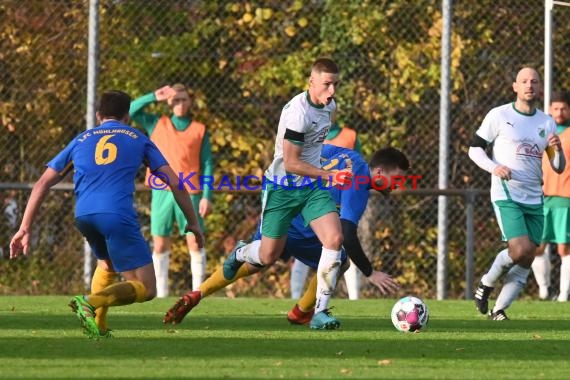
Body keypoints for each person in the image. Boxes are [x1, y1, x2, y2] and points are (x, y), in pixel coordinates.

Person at [9, 90, 204, 339]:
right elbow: (175, 183)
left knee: (108, 264)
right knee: (147, 288)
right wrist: (193, 222)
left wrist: (25, 227)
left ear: (99, 114)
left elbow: (42, 183)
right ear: (127, 116)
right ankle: (89, 301)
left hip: (84, 215)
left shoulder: (80, 139)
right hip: (116, 214)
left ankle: (98, 327)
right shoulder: (137, 137)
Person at [163, 145, 408, 327]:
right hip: (303, 224)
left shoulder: (349, 155)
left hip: (283, 200)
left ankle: (198, 293)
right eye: (396, 179)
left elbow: (313, 151)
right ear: (378, 170)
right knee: (340, 258)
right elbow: (348, 234)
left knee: (259, 259)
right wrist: (369, 272)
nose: (398, 185)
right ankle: (303, 312)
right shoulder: (360, 182)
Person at [215, 58, 349, 330]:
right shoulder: (297, 114)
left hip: (310, 188)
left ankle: (319, 313)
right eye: (326, 84)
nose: (332, 90)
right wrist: (328, 175)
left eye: (335, 84)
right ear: (311, 82)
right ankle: (241, 253)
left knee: (334, 240)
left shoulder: (328, 106)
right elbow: (291, 163)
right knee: (267, 257)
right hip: (282, 188)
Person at [468, 67, 565, 321]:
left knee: (526, 258)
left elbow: (558, 166)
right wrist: (495, 167)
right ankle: (486, 283)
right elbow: (474, 149)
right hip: (507, 193)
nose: (529, 85)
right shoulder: (499, 115)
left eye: (534, 81)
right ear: (515, 86)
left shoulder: (546, 121)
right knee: (520, 249)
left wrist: (559, 151)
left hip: (536, 197)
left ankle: (498, 310)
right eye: (524, 81)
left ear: (539, 87)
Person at [129, 84, 213, 297]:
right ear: (169, 103)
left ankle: (198, 293)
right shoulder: (157, 123)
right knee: (160, 244)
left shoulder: (199, 129)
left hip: (190, 192)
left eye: (184, 99)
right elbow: (131, 111)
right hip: (161, 192)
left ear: (190, 102)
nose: (180, 104)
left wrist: (207, 196)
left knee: (195, 242)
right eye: (176, 100)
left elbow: (208, 164)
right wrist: (153, 96)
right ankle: (161, 294)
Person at [290, 110, 363, 300]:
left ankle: (354, 298)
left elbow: (359, 170)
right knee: (304, 250)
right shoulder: (307, 135)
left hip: (340, 204)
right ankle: (296, 296)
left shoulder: (349, 136)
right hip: (312, 201)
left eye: (332, 109)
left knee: (344, 248)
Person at [532, 90, 570, 302]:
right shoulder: (541, 132)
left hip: (566, 198)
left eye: (563, 108)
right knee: (538, 247)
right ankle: (544, 290)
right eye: (555, 108)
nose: (559, 111)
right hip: (541, 197)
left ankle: (564, 295)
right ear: (549, 110)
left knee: (564, 247)